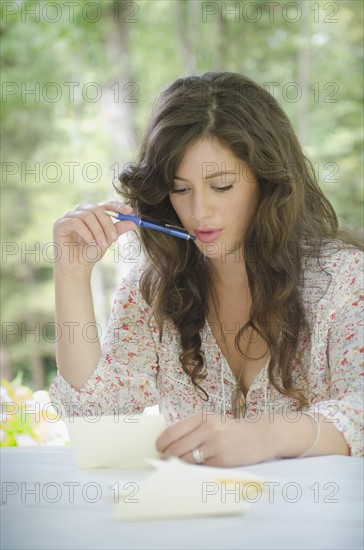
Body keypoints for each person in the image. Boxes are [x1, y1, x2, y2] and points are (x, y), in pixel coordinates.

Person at [49, 72, 363, 467]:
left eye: (222, 186)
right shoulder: (152, 289)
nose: (199, 211)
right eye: (181, 189)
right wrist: (71, 276)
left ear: (267, 183)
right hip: (199, 524)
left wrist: (269, 435)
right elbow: (95, 421)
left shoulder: (343, 278)